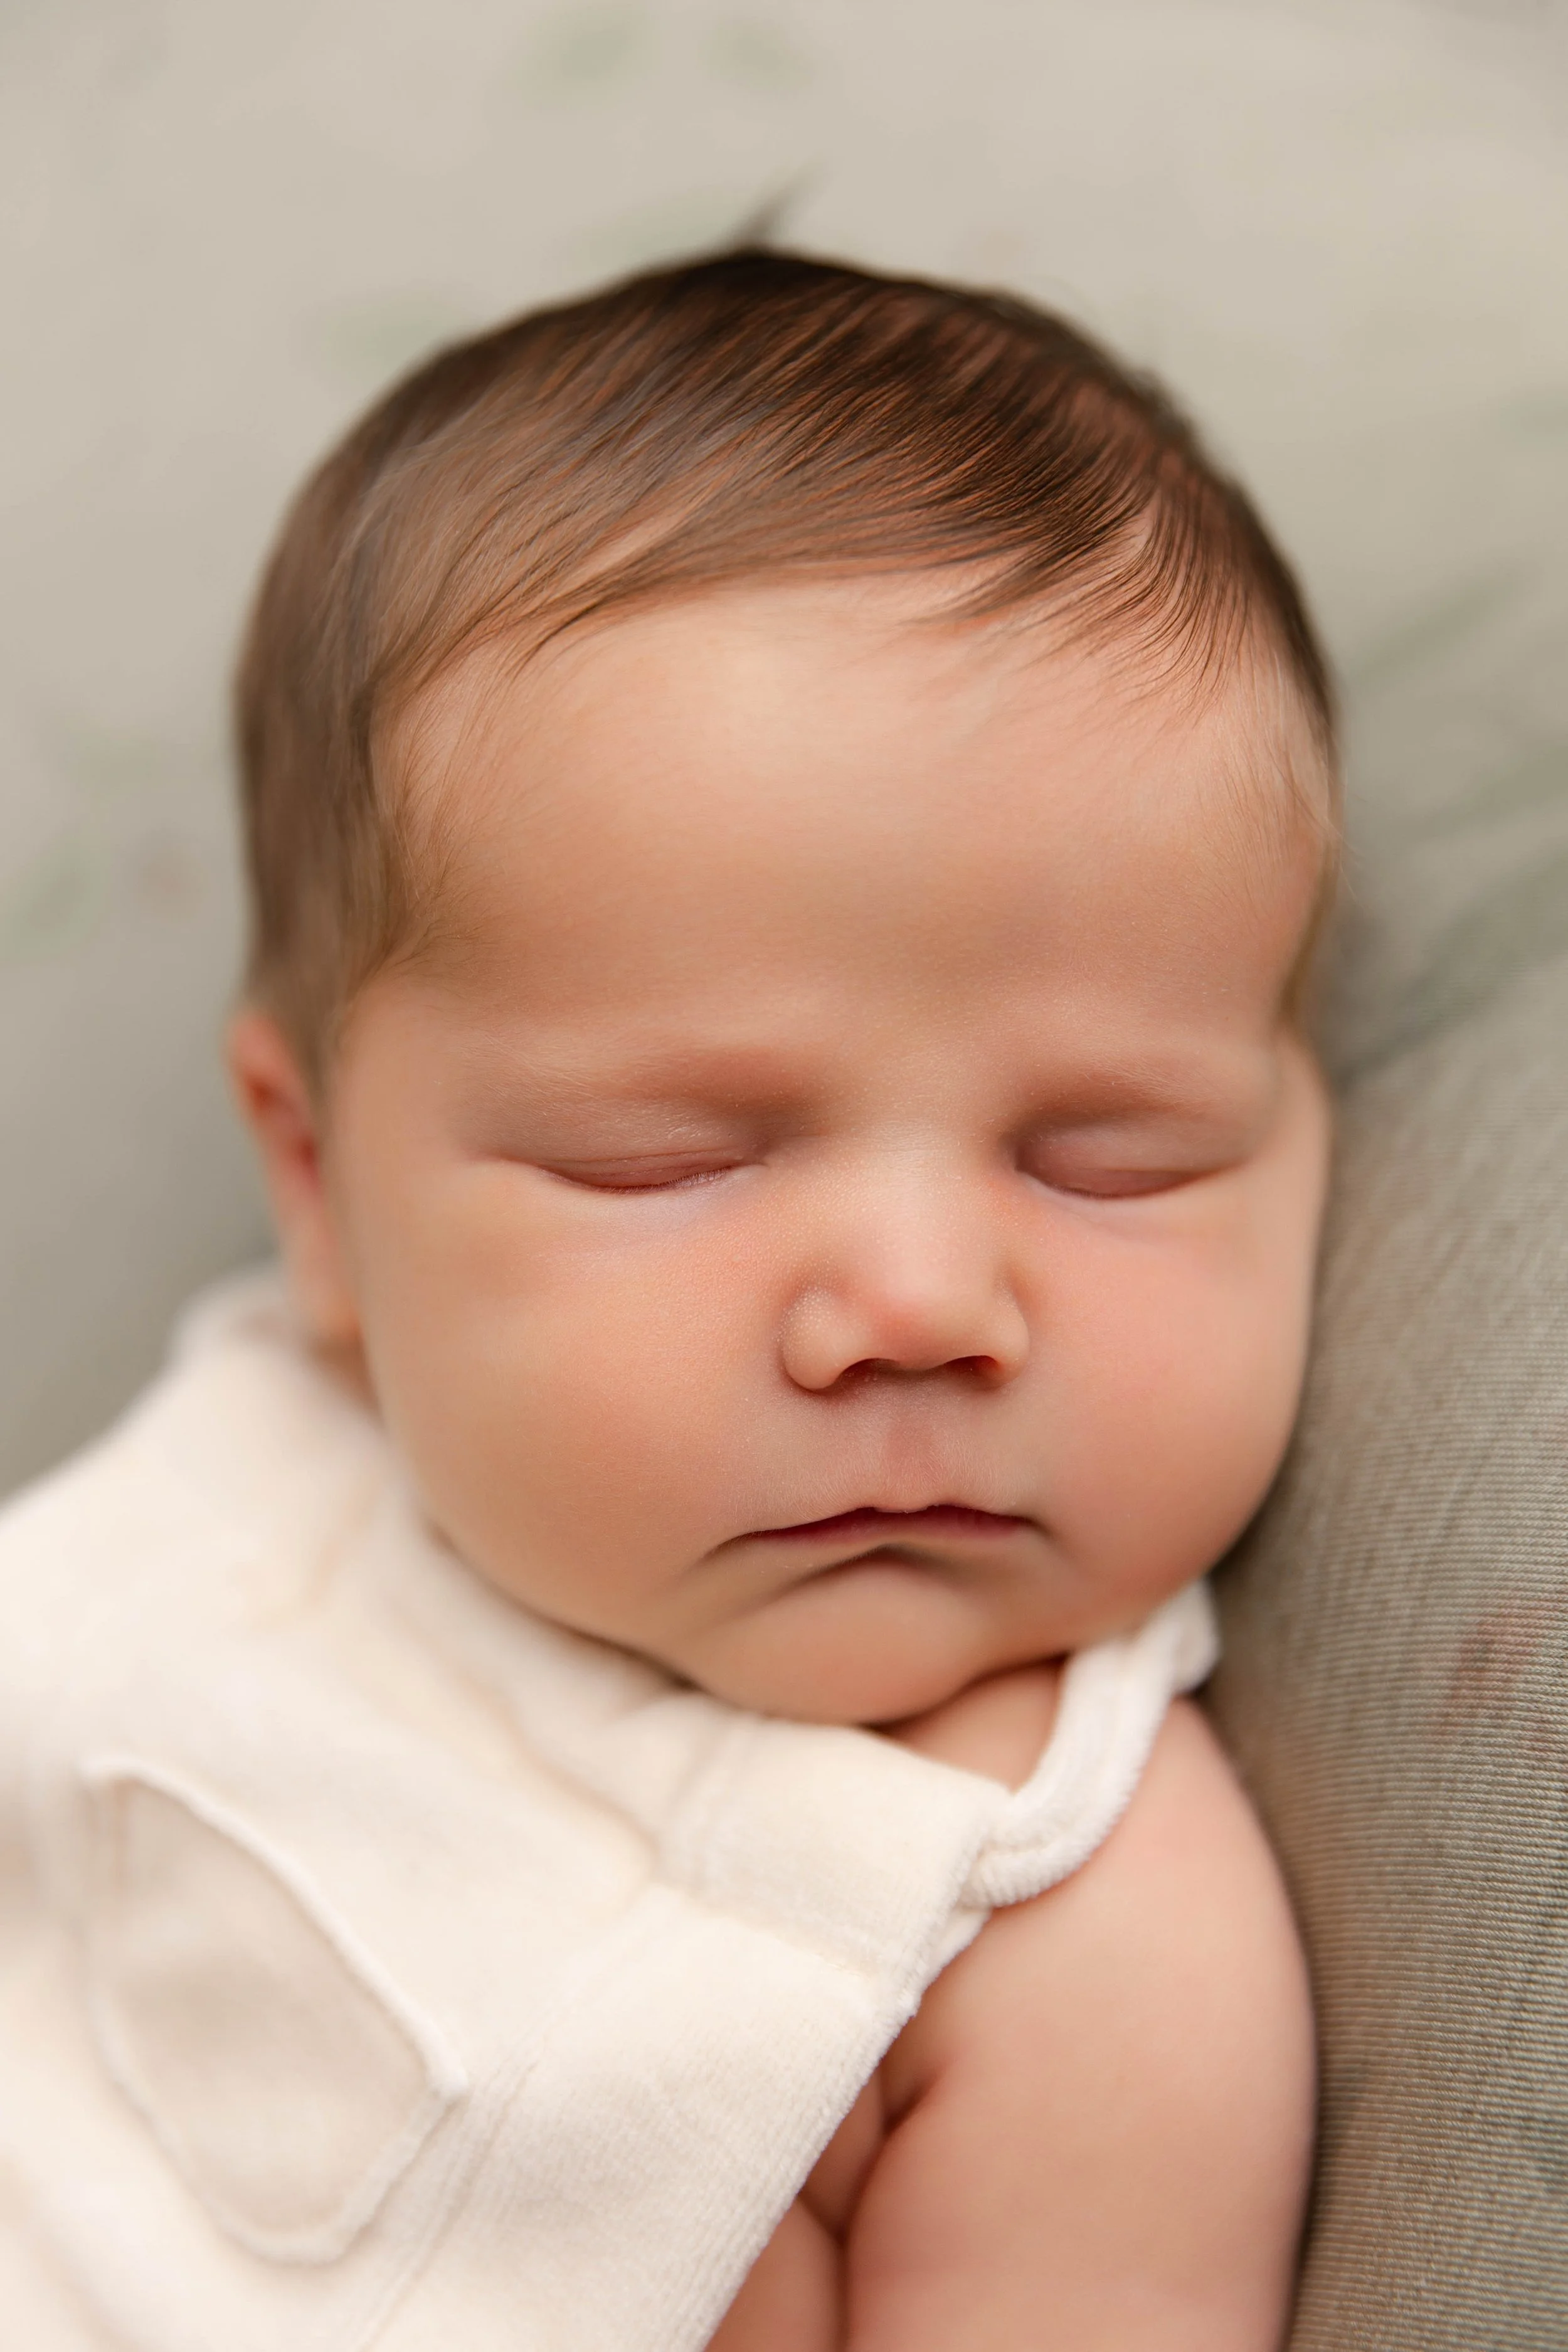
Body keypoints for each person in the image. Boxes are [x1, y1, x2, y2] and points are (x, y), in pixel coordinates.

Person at [0, 250, 1333, 2349]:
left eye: (1107, 1155)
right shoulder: (249, 1487)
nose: (916, 1303)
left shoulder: (1066, 1932)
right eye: (667, 1161)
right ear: (318, 1184)